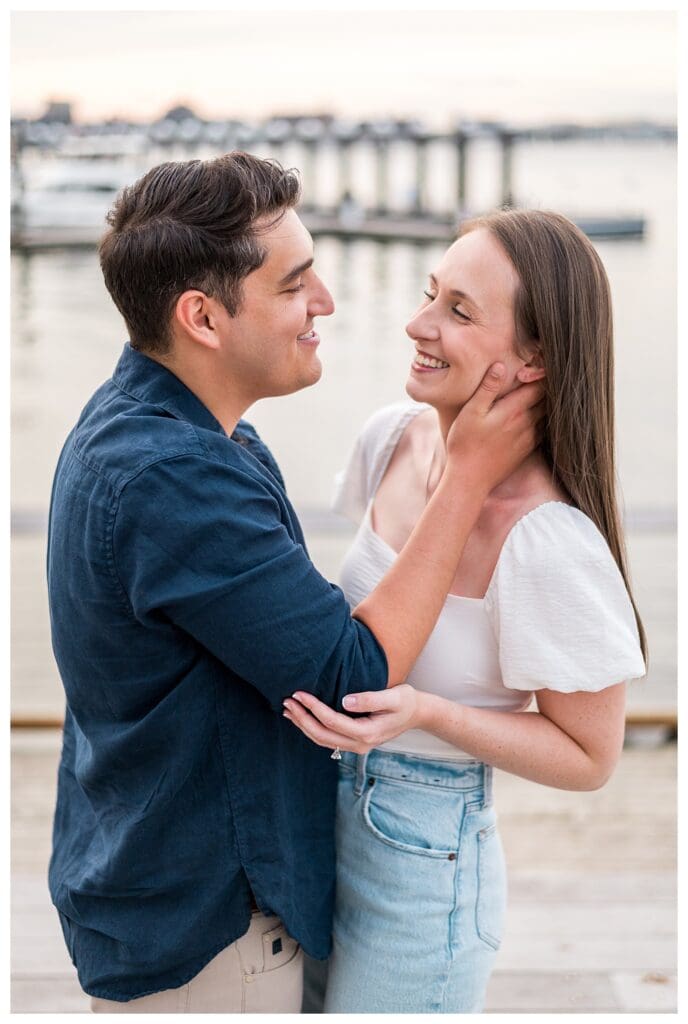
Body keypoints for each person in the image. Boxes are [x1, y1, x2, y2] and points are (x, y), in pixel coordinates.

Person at [45, 154, 543, 1012]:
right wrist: (465, 478)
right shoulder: (176, 478)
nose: (326, 305)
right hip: (208, 939)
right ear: (201, 317)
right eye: (294, 285)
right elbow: (352, 678)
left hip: (148, 876)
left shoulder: (166, 429)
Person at [283, 209, 648, 1014]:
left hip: (421, 863)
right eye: (430, 295)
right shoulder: (391, 440)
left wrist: (429, 712)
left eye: (458, 311)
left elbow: (591, 755)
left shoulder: (546, 539)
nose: (418, 324)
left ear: (535, 359)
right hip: (306, 822)